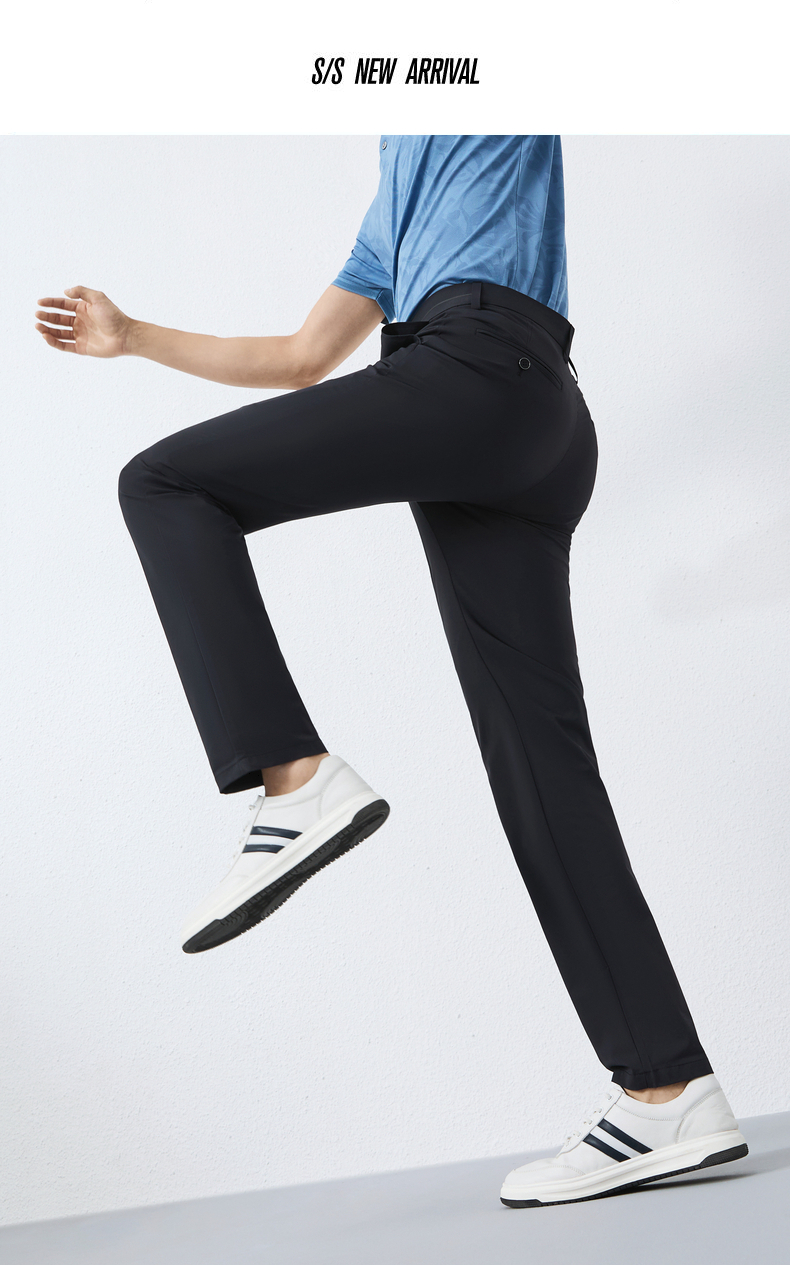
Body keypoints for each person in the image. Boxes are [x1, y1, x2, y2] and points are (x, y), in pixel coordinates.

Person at [34, 135, 748, 1207]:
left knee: (165, 485)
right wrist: (132, 336)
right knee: (539, 772)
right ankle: (668, 1087)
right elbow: (300, 357)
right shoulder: (392, 210)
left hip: (475, 380)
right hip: (522, 419)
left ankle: (293, 777)